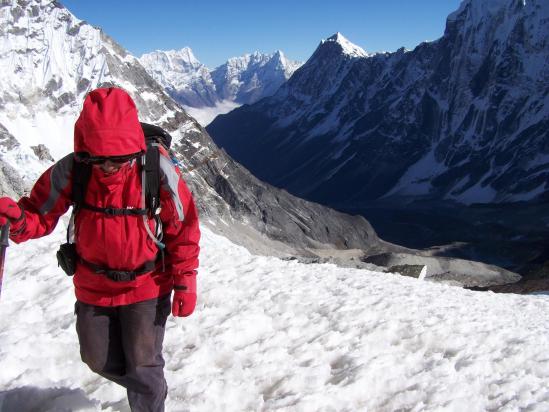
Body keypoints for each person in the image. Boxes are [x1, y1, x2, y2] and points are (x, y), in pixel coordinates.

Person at [0, 87, 200, 412]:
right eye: (98, 158)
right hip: (94, 286)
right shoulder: (74, 169)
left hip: (147, 285)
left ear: (132, 148)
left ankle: (148, 394)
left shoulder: (156, 168)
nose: (107, 166)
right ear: (85, 149)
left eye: (117, 159)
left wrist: (185, 280)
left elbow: (184, 225)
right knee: (96, 358)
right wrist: (17, 220)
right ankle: (149, 387)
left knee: (143, 364)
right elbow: (39, 213)